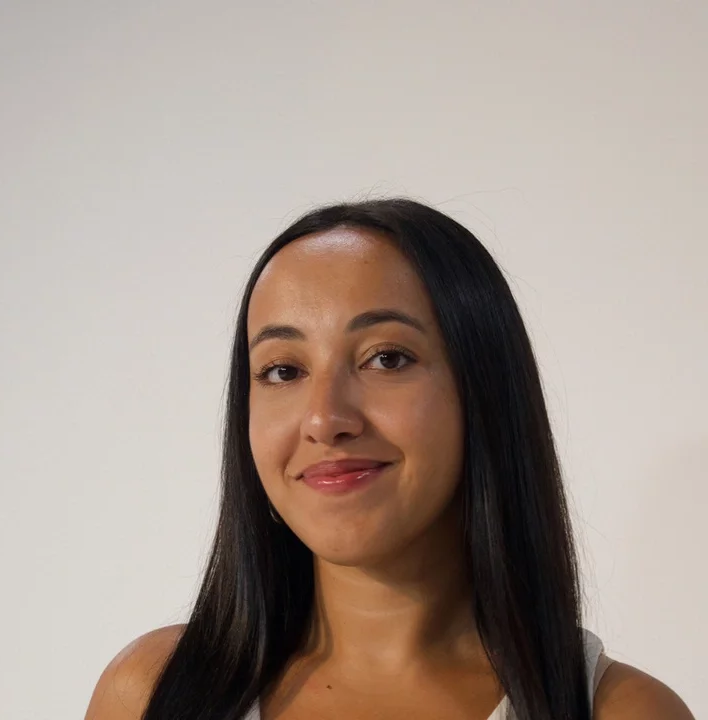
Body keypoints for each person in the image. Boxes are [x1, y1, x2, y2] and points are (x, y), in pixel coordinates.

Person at [84, 198, 694, 720]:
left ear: (483, 388)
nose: (324, 418)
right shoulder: (150, 693)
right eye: (283, 370)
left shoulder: (622, 711)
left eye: (387, 358)